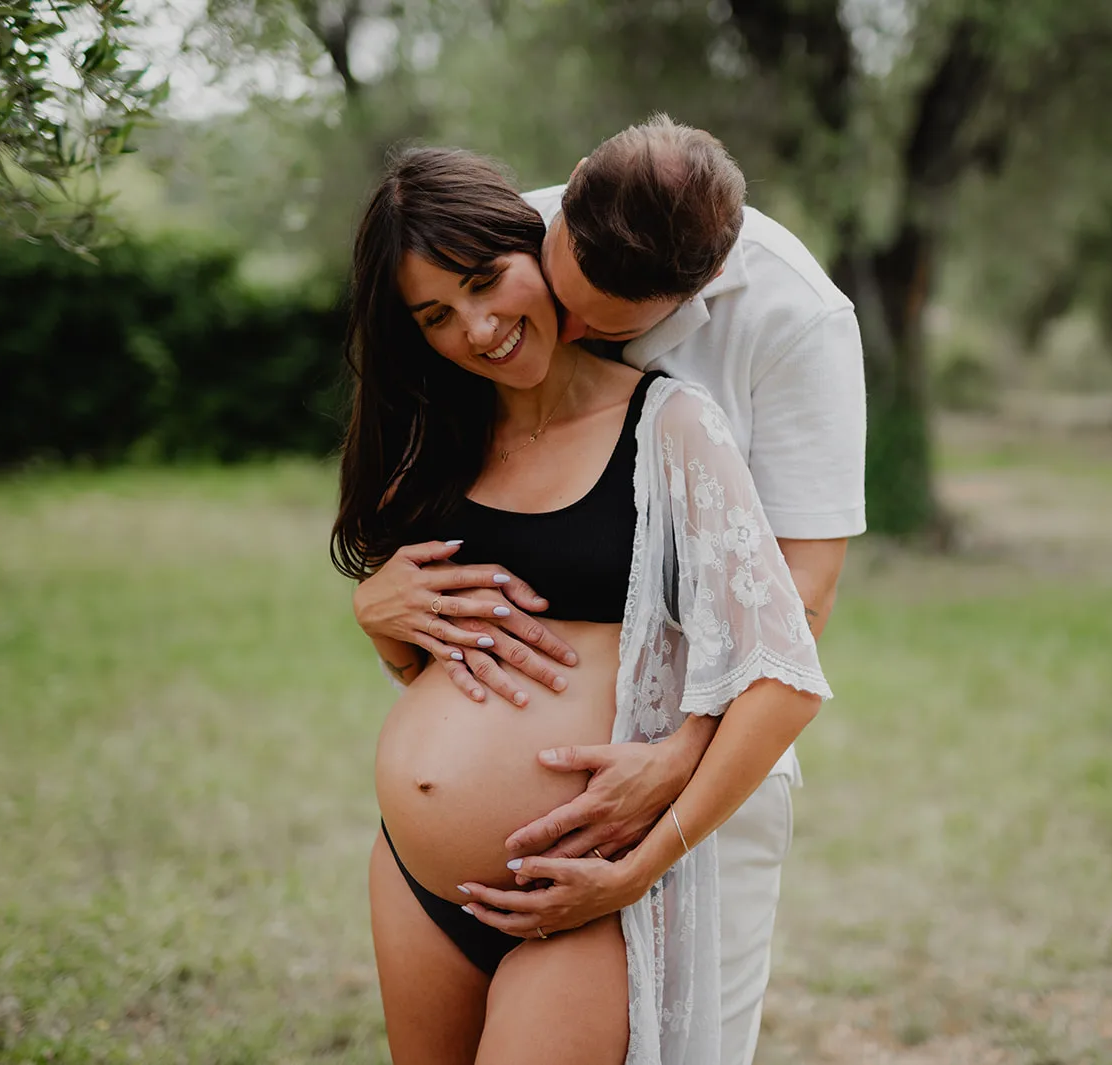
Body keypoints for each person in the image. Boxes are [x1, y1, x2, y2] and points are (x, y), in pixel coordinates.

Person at [350, 116, 866, 1065]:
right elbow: (433, 626)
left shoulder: (769, 342)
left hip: (647, 832)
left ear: (687, 297)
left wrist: (673, 774)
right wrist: (372, 611)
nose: (522, 325)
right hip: (420, 880)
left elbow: (798, 614)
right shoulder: (505, 246)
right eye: (440, 314)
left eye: (607, 324)